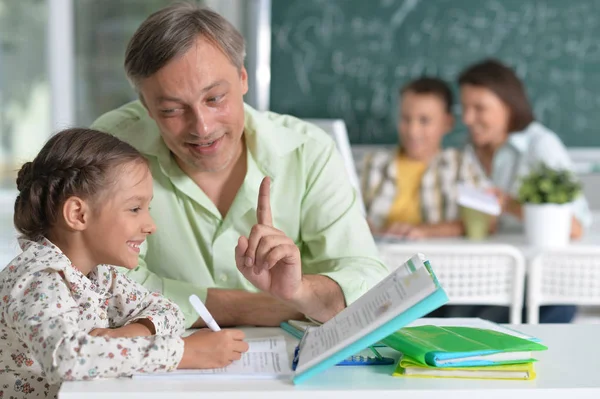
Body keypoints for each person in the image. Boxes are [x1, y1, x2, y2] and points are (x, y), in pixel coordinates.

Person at [91, 3, 388, 329]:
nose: (202, 128)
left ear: (243, 78)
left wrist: (300, 291)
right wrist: (259, 308)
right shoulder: (109, 148)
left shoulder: (309, 152)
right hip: (166, 366)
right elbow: (103, 285)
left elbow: (369, 284)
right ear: (145, 106)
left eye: (215, 98)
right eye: (172, 110)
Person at [0, 128, 248, 398]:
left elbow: (168, 309)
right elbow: (67, 358)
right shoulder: (36, 280)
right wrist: (185, 352)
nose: (151, 226)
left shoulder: (100, 275)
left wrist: (129, 334)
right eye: (134, 209)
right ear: (78, 214)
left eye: (147, 209)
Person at [458, 58, 592, 323]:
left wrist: (507, 204)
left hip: (543, 289)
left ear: (508, 105)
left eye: (479, 108)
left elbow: (573, 227)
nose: (467, 119)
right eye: (464, 108)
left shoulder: (540, 145)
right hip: (489, 279)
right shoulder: (470, 152)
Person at [360, 77, 487, 240]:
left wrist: (426, 231)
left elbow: (486, 221)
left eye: (424, 120)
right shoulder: (373, 163)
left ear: (447, 123)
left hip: (438, 260)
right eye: (406, 119)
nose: (413, 131)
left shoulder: (460, 165)